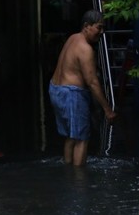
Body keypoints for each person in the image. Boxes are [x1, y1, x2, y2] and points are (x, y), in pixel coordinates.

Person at [49, 9, 116, 166]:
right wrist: (108, 110)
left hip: (56, 90)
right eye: (99, 27)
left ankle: (68, 172)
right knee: (82, 138)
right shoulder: (86, 49)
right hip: (71, 95)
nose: (102, 32)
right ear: (87, 26)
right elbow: (92, 81)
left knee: (71, 136)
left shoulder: (73, 38)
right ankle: (79, 181)